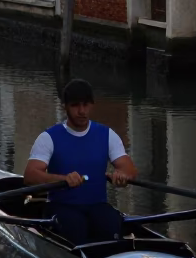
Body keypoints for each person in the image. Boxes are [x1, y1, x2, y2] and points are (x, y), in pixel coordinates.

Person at [24, 79, 138, 246]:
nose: (82, 111)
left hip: (96, 205)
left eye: (85, 105)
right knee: (75, 227)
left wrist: (122, 175)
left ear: (91, 105)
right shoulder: (49, 138)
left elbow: (130, 170)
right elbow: (30, 175)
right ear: (65, 106)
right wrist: (63, 180)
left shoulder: (107, 135)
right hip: (61, 206)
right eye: (75, 105)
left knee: (110, 224)